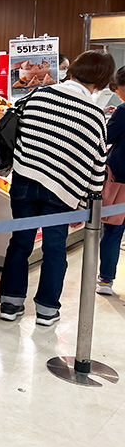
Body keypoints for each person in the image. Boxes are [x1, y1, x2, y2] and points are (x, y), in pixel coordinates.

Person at [0, 50, 113, 325]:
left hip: (25, 180)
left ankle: (10, 303)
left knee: (20, 242)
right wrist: (86, 204)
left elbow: (18, 131)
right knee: (54, 248)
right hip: (63, 188)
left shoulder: (36, 96)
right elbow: (97, 164)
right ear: (102, 80)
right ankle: (47, 309)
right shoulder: (94, 114)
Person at [97, 66, 125, 295]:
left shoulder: (124, 110)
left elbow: (107, 136)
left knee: (113, 231)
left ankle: (106, 280)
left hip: (120, 179)